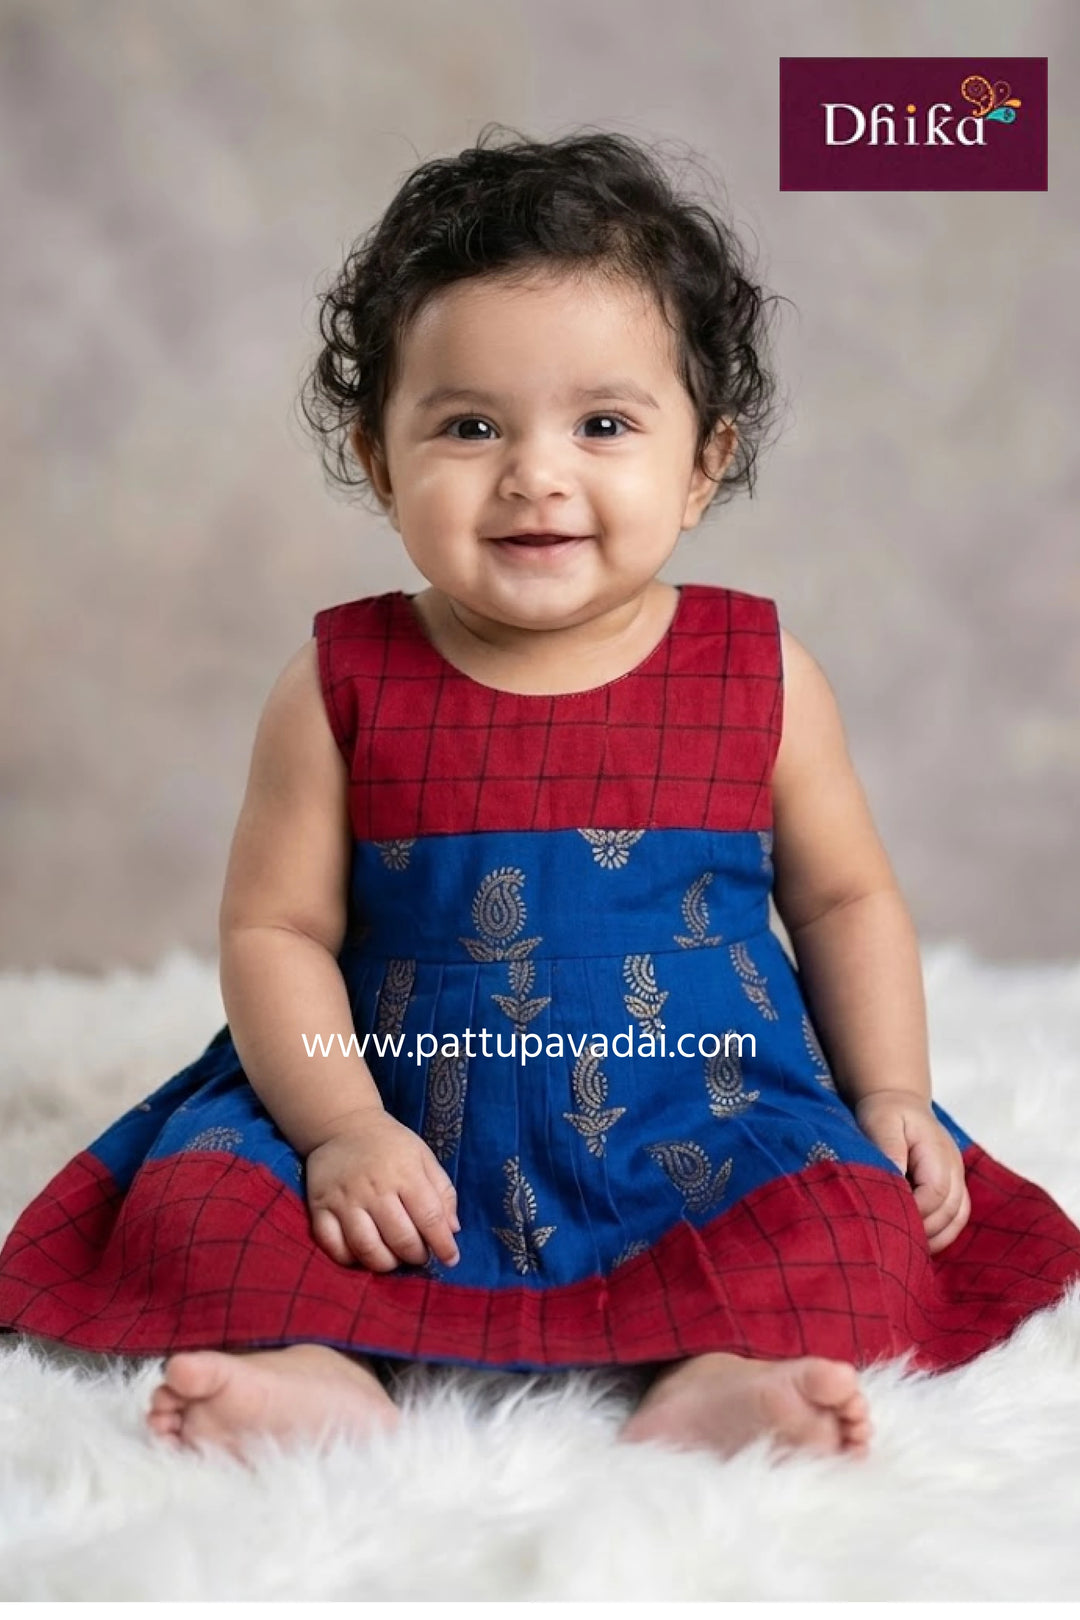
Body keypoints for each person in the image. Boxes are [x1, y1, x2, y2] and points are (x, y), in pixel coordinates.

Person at [3, 125, 1079, 1469]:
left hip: (701, 1102)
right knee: (204, 1204)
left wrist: (895, 1092)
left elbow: (848, 894)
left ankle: (721, 1375)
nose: (535, 472)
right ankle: (318, 1368)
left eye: (605, 423)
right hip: (396, 1103)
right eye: (468, 425)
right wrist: (339, 1130)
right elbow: (275, 933)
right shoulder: (340, 680)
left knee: (852, 1220)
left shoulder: (761, 672)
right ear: (380, 457)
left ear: (703, 460)